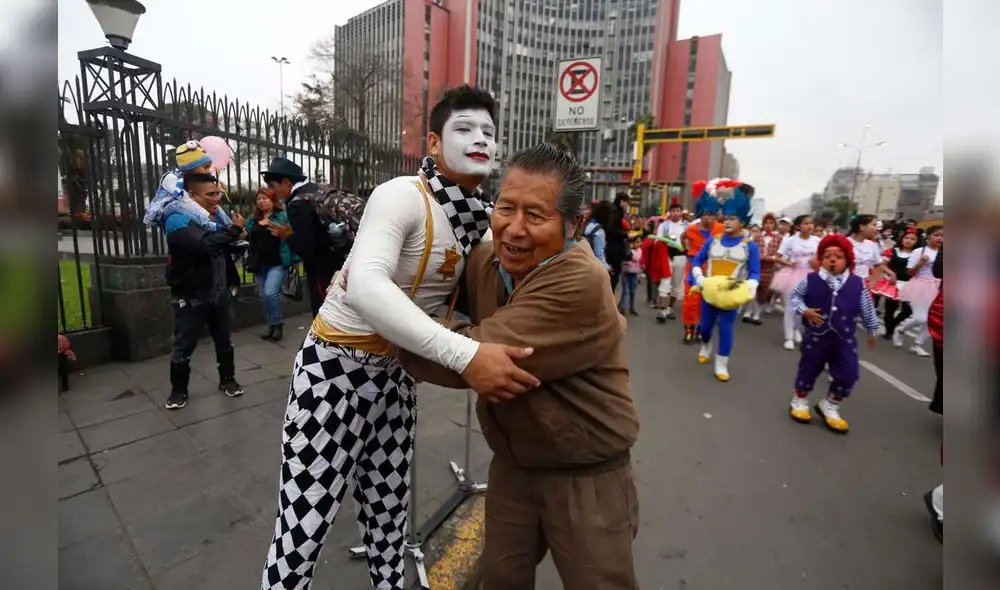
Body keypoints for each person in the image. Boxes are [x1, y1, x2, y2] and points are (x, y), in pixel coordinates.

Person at [260, 85, 539, 590]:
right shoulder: (401, 196)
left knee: (389, 524)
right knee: (302, 534)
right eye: (464, 129)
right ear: (433, 143)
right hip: (333, 377)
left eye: (489, 132)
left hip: (396, 380)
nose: (480, 140)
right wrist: (464, 353)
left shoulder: (481, 220)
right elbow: (367, 284)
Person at [397, 143, 640, 590]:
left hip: (585, 476)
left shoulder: (579, 280)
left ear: (575, 224)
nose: (515, 229)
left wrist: (381, 320)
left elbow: (470, 356)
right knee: (501, 580)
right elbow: (435, 299)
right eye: (506, 208)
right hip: (513, 465)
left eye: (536, 215)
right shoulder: (488, 262)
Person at [162, 172, 246, 409]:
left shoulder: (217, 216)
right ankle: (178, 390)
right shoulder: (177, 219)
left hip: (219, 292)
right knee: (184, 345)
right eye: (210, 194)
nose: (216, 198)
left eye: (218, 192)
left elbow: (226, 243)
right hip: (190, 296)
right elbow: (203, 246)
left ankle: (227, 379)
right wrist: (232, 231)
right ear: (191, 194)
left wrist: (239, 233)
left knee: (224, 340)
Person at [786, 234, 880, 433]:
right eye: (828, 255)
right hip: (816, 335)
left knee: (849, 373)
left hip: (844, 337)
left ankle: (830, 404)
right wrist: (804, 310)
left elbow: (866, 307)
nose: (832, 260)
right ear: (820, 259)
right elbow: (795, 297)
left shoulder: (857, 283)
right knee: (809, 368)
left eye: (838, 256)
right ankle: (799, 400)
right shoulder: (811, 279)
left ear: (848, 260)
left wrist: (872, 328)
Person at [688, 180, 762, 382]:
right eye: (726, 217)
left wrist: (751, 286)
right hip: (709, 291)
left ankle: (722, 363)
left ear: (743, 222)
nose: (728, 222)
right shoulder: (714, 240)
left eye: (733, 218)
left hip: (731, 293)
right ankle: (706, 345)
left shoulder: (750, 246)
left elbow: (755, 272)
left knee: (726, 328)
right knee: (704, 328)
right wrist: (699, 278)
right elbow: (697, 260)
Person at [261, 158, 341, 317]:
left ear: (286, 182)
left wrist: (287, 235)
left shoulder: (298, 203)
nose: (271, 191)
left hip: (322, 270)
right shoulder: (317, 190)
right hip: (340, 261)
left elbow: (307, 249)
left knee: (324, 314)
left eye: (273, 186)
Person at [244, 187, 295, 341]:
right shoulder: (253, 220)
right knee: (264, 296)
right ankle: (271, 325)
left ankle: (278, 324)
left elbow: (292, 235)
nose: (261, 201)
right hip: (259, 263)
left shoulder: (283, 217)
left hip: (277, 262)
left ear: (273, 201)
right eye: (258, 199)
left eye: (264, 198)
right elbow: (247, 236)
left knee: (270, 293)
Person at [680, 181, 724, 343]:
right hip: (693, 266)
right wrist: (686, 250)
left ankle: (700, 329)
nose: (707, 217)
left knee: (706, 300)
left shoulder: (720, 229)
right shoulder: (692, 229)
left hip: (712, 268)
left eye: (710, 214)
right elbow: (683, 237)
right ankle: (688, 330)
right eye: (704, 214)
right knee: (690, 299)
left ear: (715, 215)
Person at [771, 214, 821, 351]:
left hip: (811, 276)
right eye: (806, 223)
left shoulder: (817, 240)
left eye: (811, 223)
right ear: (799, 226)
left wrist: (816, 263)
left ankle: (795, 329)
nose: (809, 226)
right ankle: (788, 337)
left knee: (804, 308)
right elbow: (777, 257)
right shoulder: (790, 240)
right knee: (790, 307)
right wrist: (788, 262)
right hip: (791, 275)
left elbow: (823, 258)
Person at [896, 225, 943, 357]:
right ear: (929, 236)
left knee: (934, 321)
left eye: (943, 236)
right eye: (937, 235)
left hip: (939, 287)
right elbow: (909, 272)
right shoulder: (919, 251)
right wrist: (920, 264)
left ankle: (917, 344)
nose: (940, 238)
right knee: (920, 318)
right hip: (921, 285)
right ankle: (901, 329)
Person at [877, 228, 919, 340]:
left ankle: (893, 325)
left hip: (908, 284)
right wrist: (891, 273)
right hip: (893, 283)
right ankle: (889, 331)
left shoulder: (918, 254)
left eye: (912, 239)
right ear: (902, 238)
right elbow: (882, 264)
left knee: (908, 310)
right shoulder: (893, 251)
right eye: (906, 238)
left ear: (917, 241)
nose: (909, 241)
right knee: (890, 308)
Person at [743, 212, 782, 324]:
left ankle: (756, 314)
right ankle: (748, 312)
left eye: (771, 223)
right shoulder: (756, 237)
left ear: (775, 225)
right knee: (753, 289)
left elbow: (781, 253)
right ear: (763, 224)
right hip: (756, 267)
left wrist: (774, 258)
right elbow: (749, 251)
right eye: (766, 222)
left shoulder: (779, 239)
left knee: (763, 292)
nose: (768, 225)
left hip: (770, 269)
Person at [656, 198, 689, 319]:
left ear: (681, 212)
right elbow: (657, 240)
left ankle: (670, 308)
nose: (675, 213)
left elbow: (690, 241)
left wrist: (685, 247)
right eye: (673, 210)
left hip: (681, 257)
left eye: (677, 210)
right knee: (665, 283)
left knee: (676, 284)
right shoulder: (664, 226)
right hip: (667, 256)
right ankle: (662, 310)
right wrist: (664, 239)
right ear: (669, 212)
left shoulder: (687, 226)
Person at [605, 193, 631, 292]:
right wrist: (626, 234)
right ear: (622, 201)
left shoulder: (614, 211)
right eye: (626, 203)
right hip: (614, 249)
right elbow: (612, 230)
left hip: (612, 248)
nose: (627, 205)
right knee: (613, 277)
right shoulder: (616, 212)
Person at [582, 201, 612, 271]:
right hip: (592, 268)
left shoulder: (588, 224)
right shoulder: (599, 231)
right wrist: (607, 268)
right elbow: (599, 254)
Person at [618, 236, 642, 315]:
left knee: (633, 291)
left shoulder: (639, 250)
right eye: (637, 242)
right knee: (625, 290)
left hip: (634, 273)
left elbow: (637, 258)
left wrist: (630, 254)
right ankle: (622, 307)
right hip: (625, 271)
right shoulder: (627, 249)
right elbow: (624, 259)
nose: (639, 244)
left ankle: (632, 307)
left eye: (639, 242)